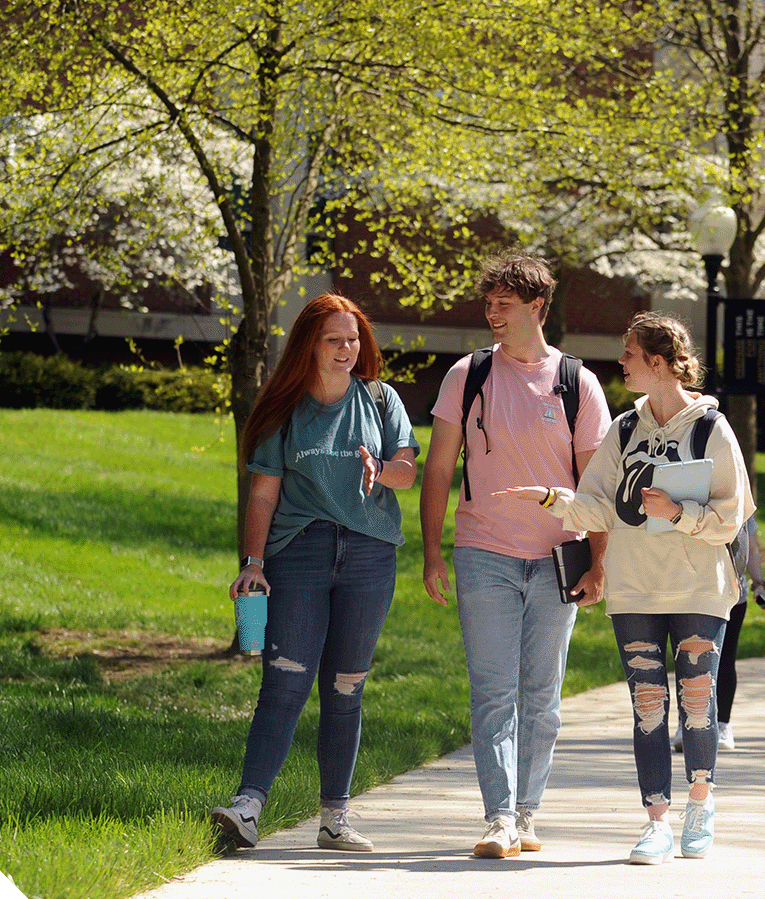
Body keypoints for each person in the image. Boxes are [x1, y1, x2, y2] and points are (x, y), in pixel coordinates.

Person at [494, 311, 754, 865]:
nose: (622, 363)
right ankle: (656, 821)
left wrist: (680, 512)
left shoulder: (712, 428)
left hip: (699, 590)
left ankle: (701, 805)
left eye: (630, 354)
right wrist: (548, 497)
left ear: (658, 363)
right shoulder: (625, 429)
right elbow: (597, 504)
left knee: (698, 704)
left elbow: (732, 517)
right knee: (648, 706)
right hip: (634, 590)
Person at [419, 253, 612, 859]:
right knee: (493, 691)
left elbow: (595, 484)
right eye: (489, 303)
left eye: (505, 303)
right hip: (484, 553)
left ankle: (528, 813)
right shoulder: (467, 375)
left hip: (559, 557)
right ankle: (498, 817)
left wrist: (600, 562)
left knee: (542, 696)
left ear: (537, 308)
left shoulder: (578, 382)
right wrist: (431, 551)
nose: (492, 314)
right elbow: (440, 467)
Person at [210, 293, 418, 853]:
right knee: (285, 678)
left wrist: (383, 470)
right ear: (310, 344)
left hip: (370, 556)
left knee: (346, 685)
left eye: (353, 338)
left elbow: (407, 471)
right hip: (298, 555)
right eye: (334, 339)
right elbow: (262, 495)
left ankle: (335, 818)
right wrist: (253, 564)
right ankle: (248, 805)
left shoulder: (380, 398)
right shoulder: (285, 409)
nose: (347, 349)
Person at [674, 515, 765, 752]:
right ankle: (685, 723)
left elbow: (750, 545)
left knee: (725, 660)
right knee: (687, 660)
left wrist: (758, 581)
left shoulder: (740, 497)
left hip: (733, 594)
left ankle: (723, 724)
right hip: (690, 592)